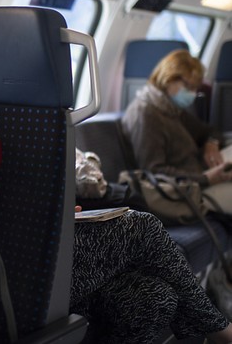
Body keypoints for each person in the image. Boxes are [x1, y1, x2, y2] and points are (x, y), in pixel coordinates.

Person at [71, 206, 232, 343]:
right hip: (48, 264)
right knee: (143, 226)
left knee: (153, 295)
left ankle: (211, 325)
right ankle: (214, 325)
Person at [121, 48, 232, 212]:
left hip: (199, 179)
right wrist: (205, 179)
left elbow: (209, 130)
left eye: (196, 88)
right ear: (168, 79)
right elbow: (153, 171)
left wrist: (212, 143)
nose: (193, 94)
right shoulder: (146, 114)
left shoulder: (171, 109)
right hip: (185, 192)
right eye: (188, 87)